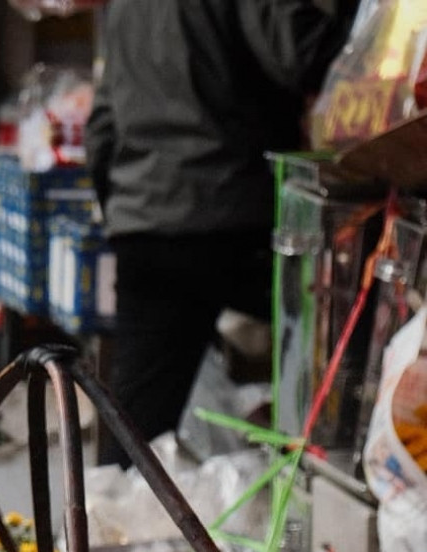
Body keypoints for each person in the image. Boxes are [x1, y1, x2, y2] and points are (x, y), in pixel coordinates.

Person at [86, 0, 360, 458]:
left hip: (148, 220)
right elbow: (305, 55)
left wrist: (124, 209)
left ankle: (106, 521)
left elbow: (103, 124)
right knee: (341, 357)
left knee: (134, 429)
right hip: (233, 212)